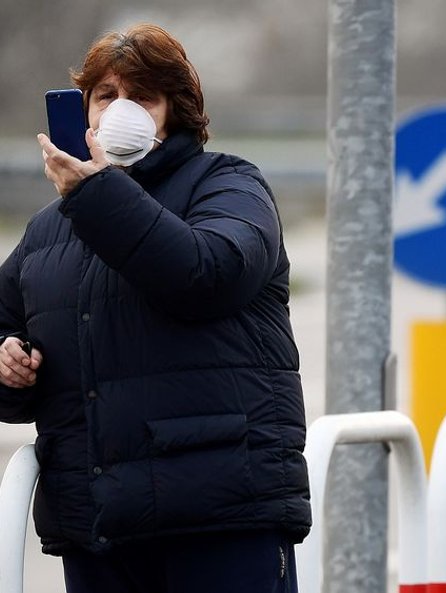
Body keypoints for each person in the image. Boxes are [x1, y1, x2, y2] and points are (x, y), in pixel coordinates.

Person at [0, 24, 310, 593]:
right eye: (106, 96)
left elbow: (206, 274)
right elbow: (7, 328)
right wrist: (6, 364)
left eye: (142, 97)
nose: (122, 110)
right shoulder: (50, 230)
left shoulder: (228, 185)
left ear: (175, 111)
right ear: (84, 111)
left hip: (220, 518)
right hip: (99, 529)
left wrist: (94, 195)